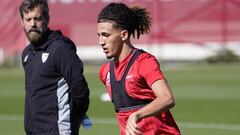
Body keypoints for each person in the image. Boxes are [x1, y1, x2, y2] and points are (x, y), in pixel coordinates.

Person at [97, 3, 181, 135]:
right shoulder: (105, 72)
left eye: (106, 35)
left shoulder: (144, 62)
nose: (101, 41)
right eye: (99, 35)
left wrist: (136, 115)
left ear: (124, 35)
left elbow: (167, 98)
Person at [20, 0, 90, 134]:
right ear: (22, 22)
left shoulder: (60, 49)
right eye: (28, 19)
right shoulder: (27, 54)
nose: (32, 24)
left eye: (37, 18)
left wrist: (75, 116)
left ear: (47, 19)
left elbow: (80, 89)